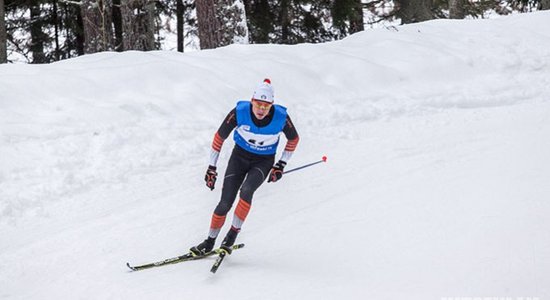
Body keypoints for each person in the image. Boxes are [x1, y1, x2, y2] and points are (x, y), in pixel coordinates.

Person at [190, 78, 299, 255]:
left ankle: (231, 236)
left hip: (263, 161)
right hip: (239, 158)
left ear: (272, 104)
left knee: (246, 191)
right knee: (225, 203)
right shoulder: (240, 112)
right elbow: (219, 138)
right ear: (252, 101)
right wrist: (212, 168)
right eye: (258, 104)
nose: (261, 109)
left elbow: (294, 139)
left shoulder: (281, 117)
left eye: (266, 106)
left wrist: (281, 164)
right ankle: (209, 242)